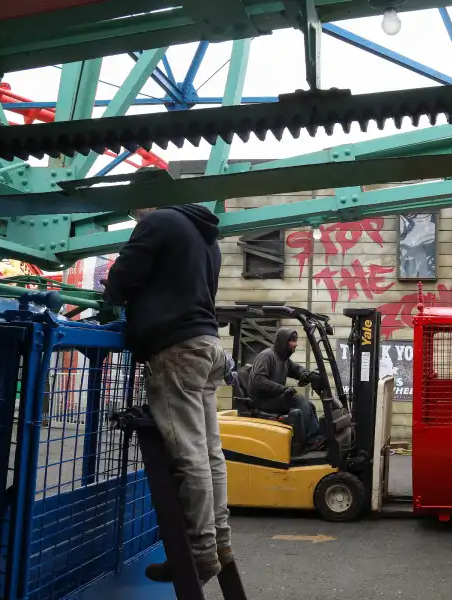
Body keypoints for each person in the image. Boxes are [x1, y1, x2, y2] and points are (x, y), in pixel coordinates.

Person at [102, 203, 233, 583]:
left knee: (189, 455)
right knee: (210, 453)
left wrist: (112, 292)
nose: (134, 219)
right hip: (208, 347)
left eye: (133, 211)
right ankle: (220, 543)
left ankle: (200, 553)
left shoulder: (157, 222)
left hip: (176, 350)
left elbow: (122, 279)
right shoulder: (208, 238)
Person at [248, 328, 325, 450]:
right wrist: (282, 389)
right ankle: (310, 440)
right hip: (261, 400)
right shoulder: (267, 356)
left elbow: (296, 369)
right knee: (299, 400)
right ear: (284, 342)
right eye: (293, 341)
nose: (296, 344)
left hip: (273, 398)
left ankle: (315, 438)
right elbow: (258, 381)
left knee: (310, 405)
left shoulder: (284, 359)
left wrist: (308, 374)